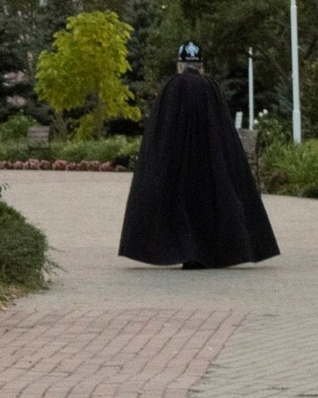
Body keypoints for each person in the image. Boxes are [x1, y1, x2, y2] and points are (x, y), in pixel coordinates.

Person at [118, 43, 280, 268]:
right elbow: (223, 131)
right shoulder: (210, 88)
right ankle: (210, 250)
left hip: (176, 163)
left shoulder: (172, 87)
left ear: (180, 65)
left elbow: (160, 131)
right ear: (201, 66)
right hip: (209, 163)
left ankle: (180, 249)